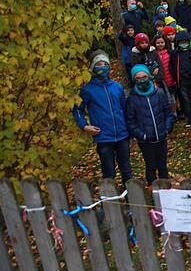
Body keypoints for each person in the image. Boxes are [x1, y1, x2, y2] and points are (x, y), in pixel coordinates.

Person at [73, 50, 133, 183]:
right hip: (103, 137)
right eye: (98, 64)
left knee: (127, 171)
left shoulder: (117, 87)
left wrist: (129, 129)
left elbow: (125, 109)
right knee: (109, 173)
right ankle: (111, 202)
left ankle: (132, 200)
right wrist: (84, 126)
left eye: (105, 64)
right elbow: (77, 109)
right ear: (93, 68)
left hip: (122, 135)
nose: (102, 67)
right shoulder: (87, 90)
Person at [126, 64, 175, 184]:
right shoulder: (132, 99)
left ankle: (166, 192)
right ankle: (152, 191)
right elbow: (130, 122)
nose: (142, 80)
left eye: (144, 76)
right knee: (151, 166)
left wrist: (167, 128)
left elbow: (168, 113)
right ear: (134, 80)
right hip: (146, 141)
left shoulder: (159, 93)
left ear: (149, 76)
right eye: (138, 78)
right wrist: (141, 135)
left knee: (163, 166)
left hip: (161, 137)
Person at [169, 31, 191, 126]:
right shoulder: (175, 53)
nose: (183, 44)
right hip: (182, 81)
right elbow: (171, 66)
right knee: (186, 101)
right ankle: (190, 119)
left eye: (185, 41)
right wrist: (175, 76)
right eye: (181, 42)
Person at [153, 34, 176, 111]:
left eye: (162, 42)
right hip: (160, 80)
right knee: (164, 98)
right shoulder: (153, 54)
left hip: (170, 78)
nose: (160, 44)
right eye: (158, 43)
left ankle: (175, 113)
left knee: (173, 98)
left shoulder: (169, 53)